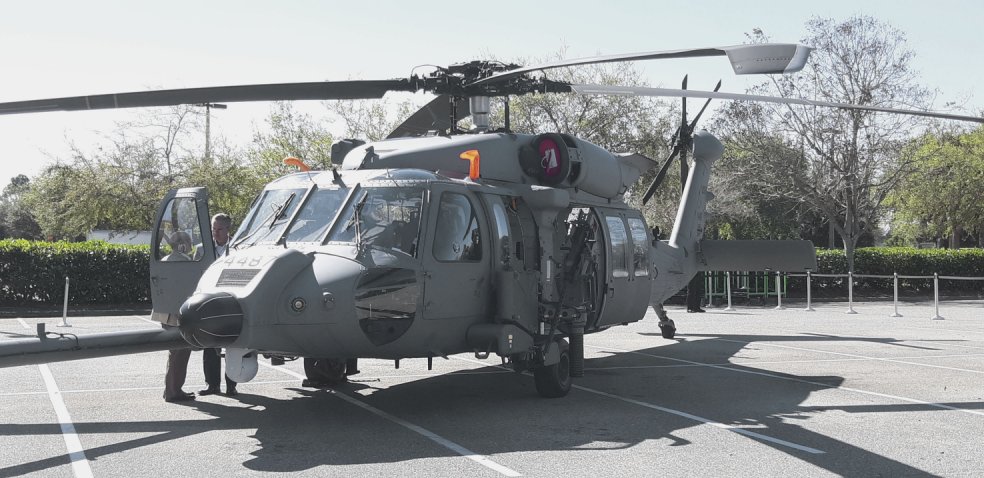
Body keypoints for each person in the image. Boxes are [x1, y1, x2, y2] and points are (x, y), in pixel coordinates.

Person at [199, 213, 239, 396]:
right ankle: (212, 385)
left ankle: (232, 385)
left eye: (219, 229)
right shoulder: (201, 249)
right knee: (209, 345)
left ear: (228, 230)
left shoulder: (240, 249)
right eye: (213, 229)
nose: (215, 233)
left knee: (233, 346)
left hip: (232, 302)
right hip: (208, 302)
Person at [162, 231, 195, 402]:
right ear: (182, 245)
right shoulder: (183, 262)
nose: (190, 245)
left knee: (174, 352)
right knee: (180, 352)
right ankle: (174, 391)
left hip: (166, 313)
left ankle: (171, 388)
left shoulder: (167, 260)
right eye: (188, 242)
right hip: (177, 314)